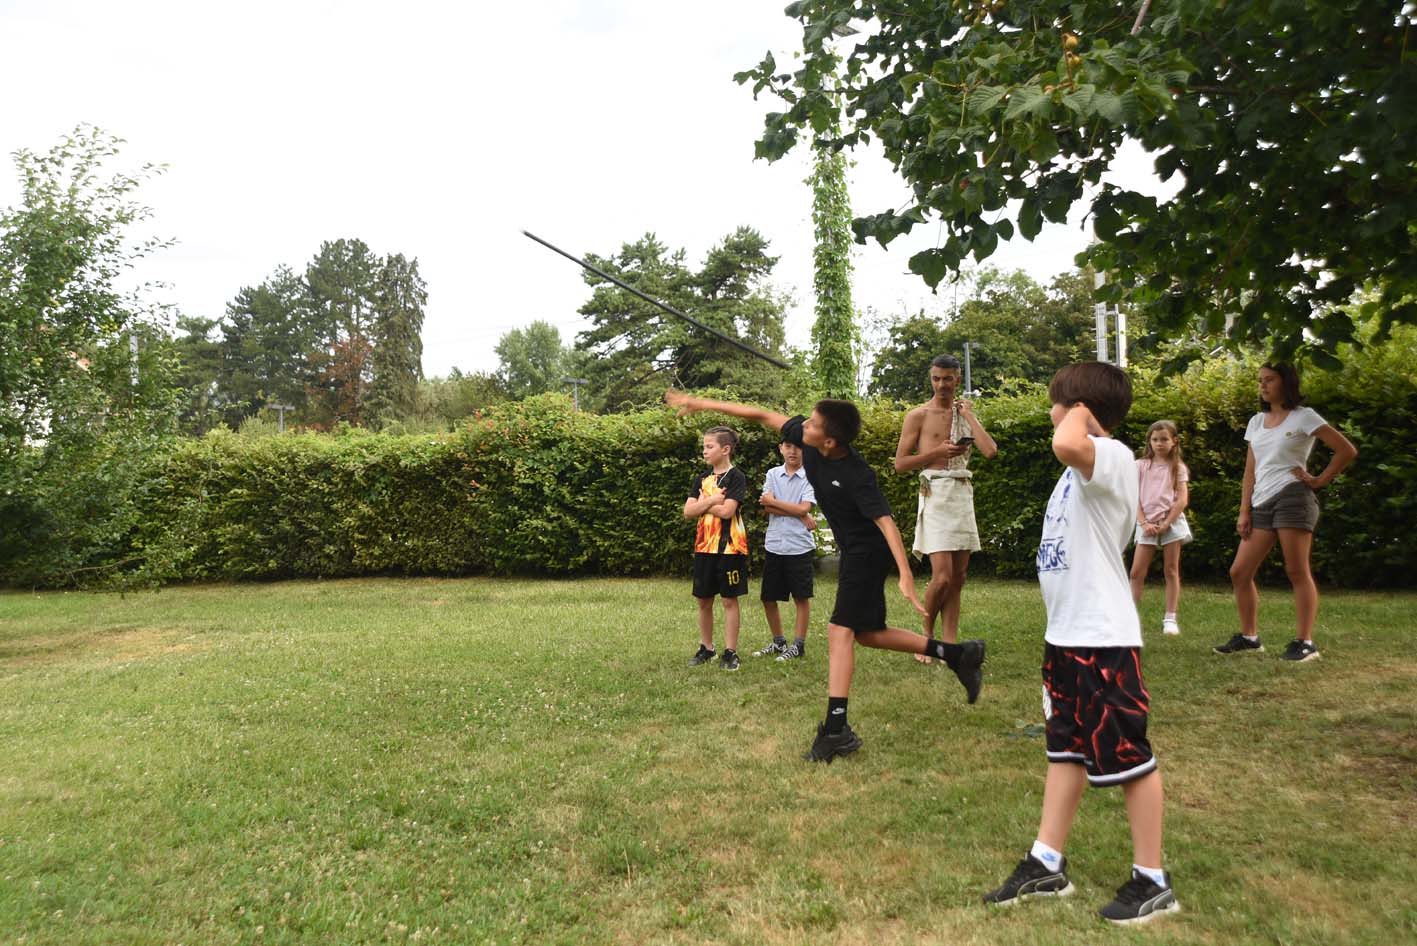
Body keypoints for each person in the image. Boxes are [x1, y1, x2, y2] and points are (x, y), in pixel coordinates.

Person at [666, 389, 985, 763]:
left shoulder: (857, 474)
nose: (804, 426)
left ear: (829, 441)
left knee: (839, 632)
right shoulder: (810, 440)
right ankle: (957, 653)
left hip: (868, 554)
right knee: (868, 634)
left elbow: (885, 522)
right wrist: (702, 404)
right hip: (853, 553)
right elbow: (760, 414)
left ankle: (836, 730)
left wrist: (904, 573)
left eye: (813, 424)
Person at [984, 362, 1178, 925]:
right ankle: (1047, 861)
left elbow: (1067, 440)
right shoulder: (1083, 464)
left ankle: (1153, 880)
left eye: (1058, 404)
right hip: (1066, 637)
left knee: (1128, 755)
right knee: (1066, 748)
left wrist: (1077, 415)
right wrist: (1077, 414)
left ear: (1079, 410)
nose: (1052, 414)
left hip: (1103, 640)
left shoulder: (1111, 455)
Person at [1214, 363, 1358, 662]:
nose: (1263, 385)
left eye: (1270, 380)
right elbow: (1251, 470)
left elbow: (1346, 450)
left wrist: (1320, 480)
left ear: (1286, 382)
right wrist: (1244, 510)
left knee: (1296, 570)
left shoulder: (1304, 416)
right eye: (1260, 381)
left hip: (1293, 497)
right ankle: (1249, 638)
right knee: (1240, 571)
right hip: (1261, 501)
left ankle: (1305, 643)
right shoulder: (1256, 422)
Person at [894, 354, 998, 660]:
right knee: (942, 576)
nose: (941, 385)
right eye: (936, 378)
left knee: (959, 576)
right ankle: (926, 637)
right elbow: (901, 464)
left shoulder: (964, 413)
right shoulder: (918, 415)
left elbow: (990, 451)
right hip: (935, 492)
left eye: (948, 379)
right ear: (931, 379)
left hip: (962, 491)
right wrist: (936, 452)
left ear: (958, 380)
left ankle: (950, 644)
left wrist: (970, 416)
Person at [683, 425, 749, 671]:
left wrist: (702, 504)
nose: (704, 451)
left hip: (730, 549)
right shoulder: (701, 479)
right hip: (704, 548)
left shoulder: (736, 477)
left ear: (726, 449)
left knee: (729, 600)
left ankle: (730, 652)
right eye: (704, 447)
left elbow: (727, 511)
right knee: (703, 600)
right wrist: (712, 500)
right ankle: (707, 648)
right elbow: (688, 511)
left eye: (709, 446)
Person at [751, 435, 818, 662]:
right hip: (775, 544)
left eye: (798, 447)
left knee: (801, 597)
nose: (793, 451)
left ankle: (798, 645)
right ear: (780, 448)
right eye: (788, 446)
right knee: (768, 597)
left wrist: (780, 504)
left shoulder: (810, 476)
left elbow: (804, 507)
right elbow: (766, 508)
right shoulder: (772, 474)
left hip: (799, 546)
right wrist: (799, 514)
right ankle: (779, 642)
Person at [1129, 420, 1191, 635]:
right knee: (1136, 572)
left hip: (1171, 523)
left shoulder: (1178, 468)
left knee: (1171, 569)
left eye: (1164, 439)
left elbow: (1182, 499)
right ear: (1149, 442)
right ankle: (1129, 618)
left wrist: (1166, 523)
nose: (1159, 443)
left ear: (1174, 441)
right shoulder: (1140, 466)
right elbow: (1133, 496)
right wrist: (1144, 522)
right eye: (1155, 439)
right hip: (1145, 523)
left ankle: (1170, 618)